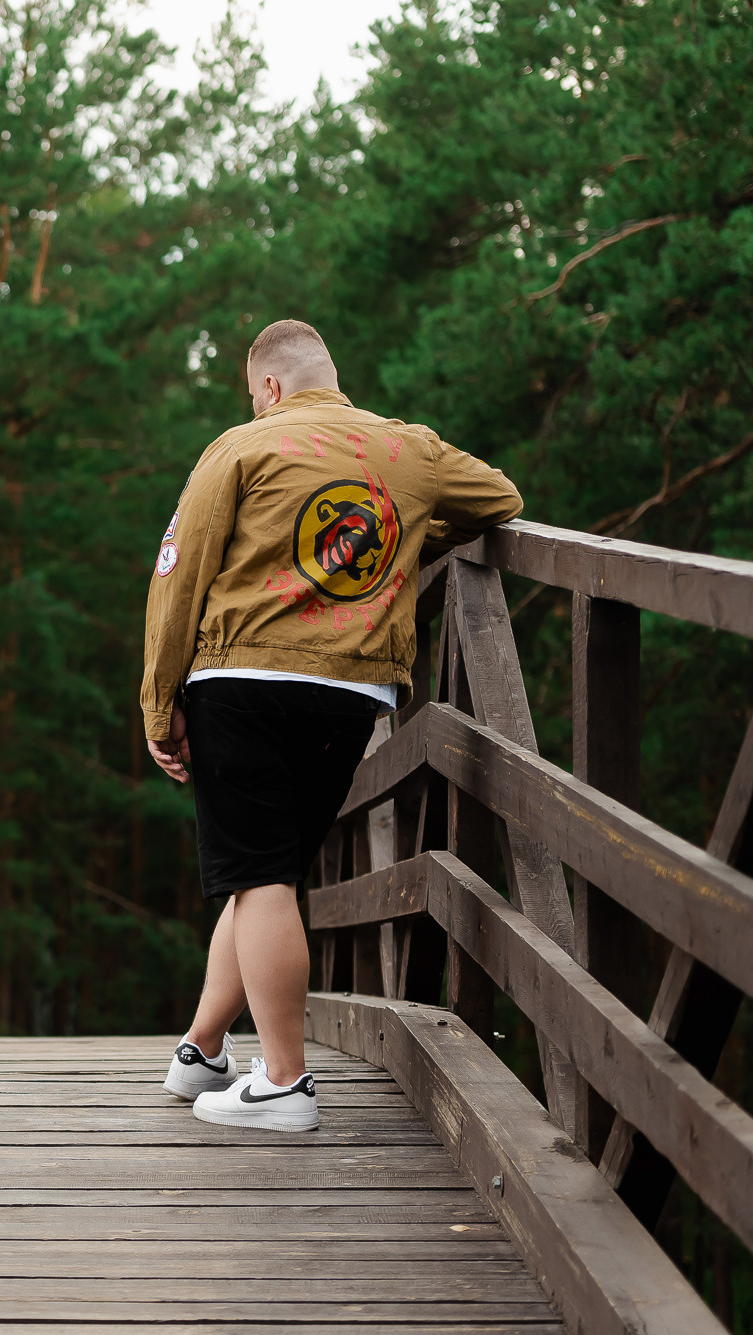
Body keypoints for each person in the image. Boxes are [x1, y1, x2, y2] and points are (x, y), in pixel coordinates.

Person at [142, 319, 522, 1130]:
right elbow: (500, 498)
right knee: (265, 870)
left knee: (259, 874)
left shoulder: (241, 446)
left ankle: (284, 1082)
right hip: (352, 691)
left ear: (270, 387)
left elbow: (179, 576)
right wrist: (403, 533)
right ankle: (204, 1048)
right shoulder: (408, 449)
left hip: (241, 678)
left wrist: (157, 700)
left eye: (254, 393)